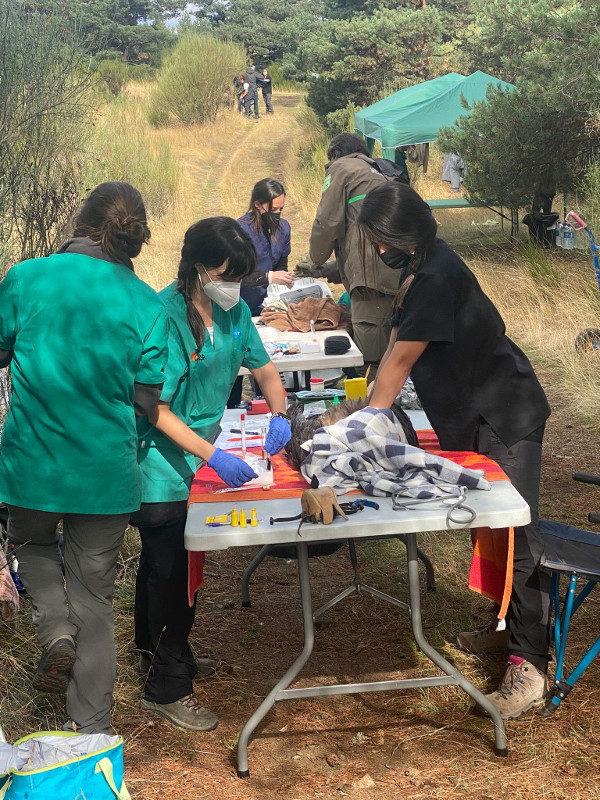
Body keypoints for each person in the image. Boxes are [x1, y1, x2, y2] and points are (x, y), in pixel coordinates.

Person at [358, 181, 552, 720]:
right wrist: (364, 408)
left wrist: (364, 422)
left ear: (406, 231)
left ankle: (530, 666)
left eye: (381, 239)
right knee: (490, 529)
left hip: (503, 414)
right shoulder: (421, 269)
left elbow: (399, 363)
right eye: (373, 241)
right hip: (473, 413)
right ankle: (506, 628)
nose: (378, 250)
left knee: (517, 537)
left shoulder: (435, 277)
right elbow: (395, 346)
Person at [0, 182, 168, 734]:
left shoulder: (27, 278)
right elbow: (147, 400)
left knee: (30, 544)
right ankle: (91, 730)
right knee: (96, 596)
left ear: (80, 221)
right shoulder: (146, 302)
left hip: (33, 467)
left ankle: (52, 630)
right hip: (105, 473)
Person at [132, 216, 291, 731]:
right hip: (159, 462)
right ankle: (167, 686)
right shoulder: (164, 316)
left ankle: (155, 652)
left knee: (168, 567)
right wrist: (211, 455)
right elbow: (155, 408)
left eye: (242, 277)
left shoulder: (235, 310)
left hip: (198, 452)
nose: (236, 287)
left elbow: (262, 366)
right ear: (200, 269)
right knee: (171, 571)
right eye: (228, 275)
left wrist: (281, 412)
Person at [306, 133, 400, 380]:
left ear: (335, 154)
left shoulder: (341, 167)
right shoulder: (380, 173)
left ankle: (372, 408)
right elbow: (363, 239)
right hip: (399, 274)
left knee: (370, 357)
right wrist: (331, 268)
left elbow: (327, 223)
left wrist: (314, 259)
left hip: (372, 280)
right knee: (394, 345)